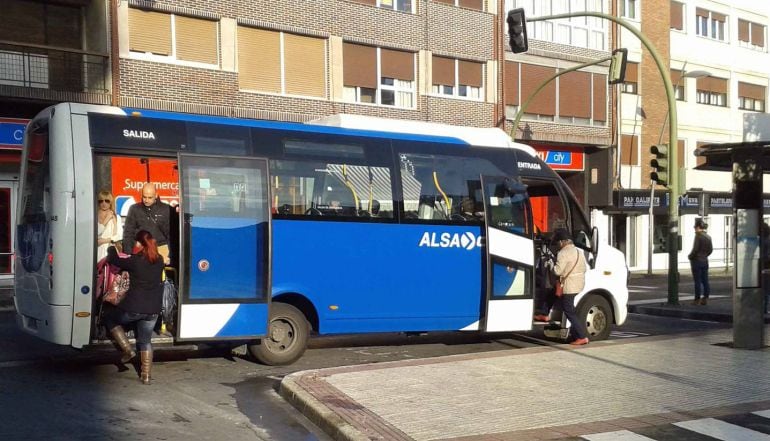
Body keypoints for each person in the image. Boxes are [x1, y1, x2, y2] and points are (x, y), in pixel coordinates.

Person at [105, 230, 165, 385]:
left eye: (136, 243)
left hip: (134, 308)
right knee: (145, 341)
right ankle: (146, 376)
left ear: (139, 244)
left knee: (109, 318)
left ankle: (127, 350)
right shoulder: (159, 260)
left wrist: (112, 246)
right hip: (153, 310)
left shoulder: (135, 261)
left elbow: (113, 259)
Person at [550, 228, 589, 345]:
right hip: (578, 284)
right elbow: (585, 268)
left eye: (558, 243)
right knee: (570, 308)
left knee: (569, 311)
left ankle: (581, 336)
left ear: (562, 242)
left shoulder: (563, 253)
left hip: (568, 286)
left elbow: (557, 271)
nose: (558, 245)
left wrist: (550, 264)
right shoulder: (578, 251)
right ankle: (575, 333)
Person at [123, 182, 171, 265]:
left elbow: (171, 234)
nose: (146, 200)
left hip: (161, 249)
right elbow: (128, 232)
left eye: (150, 197)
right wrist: (128, 253)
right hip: (141, 249)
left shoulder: (166, 209)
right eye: (144, 197)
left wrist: (170, 256)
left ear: (156, 195)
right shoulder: (134, 209)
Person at [688, 218, 713, 305]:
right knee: (705, 280)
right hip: (705, 261)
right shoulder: (708, 237)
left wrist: (690, 256)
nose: (694, 229)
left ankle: (697, 299)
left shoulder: (698, 236)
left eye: (695, 227)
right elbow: (710, 250)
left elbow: (695, 249)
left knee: (697, 281)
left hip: (696, 261)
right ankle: (705, 298)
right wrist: (705, 255)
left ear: (698, 227)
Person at [96, 190, 123, 262]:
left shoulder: (116, 217)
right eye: (101, 201)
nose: (104, 203)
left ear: (110, 202)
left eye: (107, 201)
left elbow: (119, 235)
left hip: (110, 251)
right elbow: (96, 233)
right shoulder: (94, 216)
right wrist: (106, 220)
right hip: (97, 252)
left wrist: (103, 241)